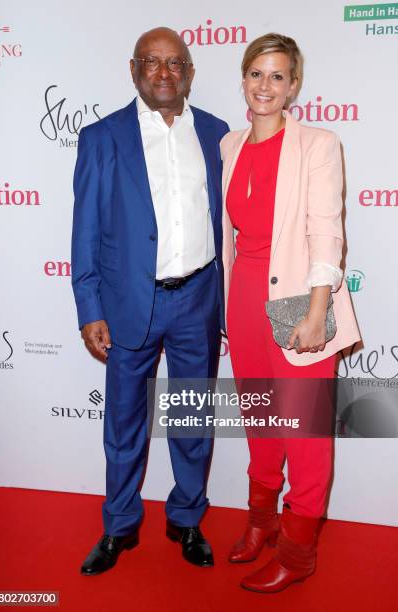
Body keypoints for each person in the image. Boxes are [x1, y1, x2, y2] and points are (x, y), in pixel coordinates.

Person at [71, 26, 229, 575]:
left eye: (175, 63)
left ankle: (186, 519)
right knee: (123, 424)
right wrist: (89, 307)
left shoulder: (217, 133)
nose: (164, 73)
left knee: (191, 419)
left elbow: (228, 227)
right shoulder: (102, 137)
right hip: (128, 305)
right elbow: (85, 227)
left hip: (199, 299)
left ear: (189, 72)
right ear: (133, 70)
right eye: (152, 62)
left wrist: (223, 308)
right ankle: (119, 527)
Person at [221, 33, 360, 593]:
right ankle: (261, 522)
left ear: (295, 85)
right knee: (261, 420)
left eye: (278, 76)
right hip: (243, 298)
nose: (266, 86)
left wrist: (316, 311)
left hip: (301, 299)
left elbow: (328, 232)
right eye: (257, 73)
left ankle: (298, 554)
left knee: (304, 436)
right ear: (243, 78)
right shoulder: (229, 145)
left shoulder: (319, 144)